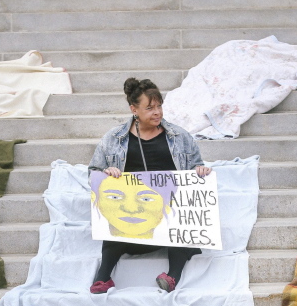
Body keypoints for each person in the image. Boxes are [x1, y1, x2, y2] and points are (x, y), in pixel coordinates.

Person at [88, 78, 212, 293]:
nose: (157, 112)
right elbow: (93, 172)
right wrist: (107, 174)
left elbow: (195, 165)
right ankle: (103, 278)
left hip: (166, 210)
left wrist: (199, 171)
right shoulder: (114, 138)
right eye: (150, 108)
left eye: (159, 106)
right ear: (134, 109)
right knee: (114, 221)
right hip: (134, 211)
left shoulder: (179, 136)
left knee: (181, 221)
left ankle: (172, 277)